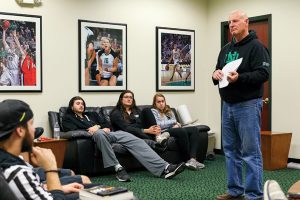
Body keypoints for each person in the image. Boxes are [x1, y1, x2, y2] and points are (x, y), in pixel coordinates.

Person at [212, 10, 270, 200]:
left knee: (250, 152)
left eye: (235, 21)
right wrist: (215, 75)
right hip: (227, 105)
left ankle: (254, 194)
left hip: (248, 105)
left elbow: (263, 74)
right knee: (230, 151)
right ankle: (235, 190)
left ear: (246, 22)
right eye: (229, 22)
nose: (231, 25)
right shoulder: (226, 49)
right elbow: (217, 70)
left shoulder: (256, 47)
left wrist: (240, 78)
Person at [62, 96, 185, 182]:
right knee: (98, 134)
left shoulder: (92, 114)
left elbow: (107, 125)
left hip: (110, 134)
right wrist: (93, 129)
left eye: (82, 103)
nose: (81, 105)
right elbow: (71, 130)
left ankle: (165, 168)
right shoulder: (68, 118)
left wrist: (98, 126)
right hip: (93, 137)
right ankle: (118, 168)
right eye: (78, 103)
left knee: (132, 138)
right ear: (72, 107)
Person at [0, 99, 85, 199]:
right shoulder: (17, 172)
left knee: (90, 189)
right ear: (20, 131)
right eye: (31, 124)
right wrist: (50, 168)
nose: (34, 130)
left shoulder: (8, 159)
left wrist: (59, 188)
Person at [151, 93, 207, 170]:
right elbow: (158, 124)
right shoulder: (153, 111)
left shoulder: (169, 110)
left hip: (174, 129)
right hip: (163, 132)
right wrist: (174, 123)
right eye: (158, 102)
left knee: (194, 129)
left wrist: (176, 124)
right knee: (181, 131)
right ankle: (187, 159)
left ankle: (192, 160)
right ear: (155, 103)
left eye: (162, 101)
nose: (161, 104)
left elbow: (176, 122)